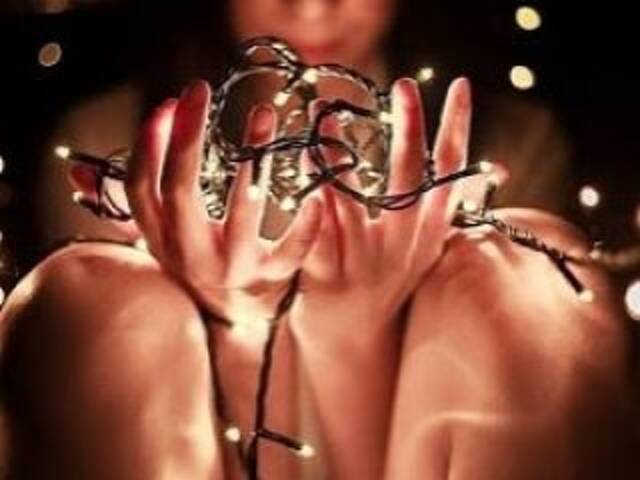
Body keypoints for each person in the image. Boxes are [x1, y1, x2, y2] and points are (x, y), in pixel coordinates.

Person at [2, 0, 637, 478]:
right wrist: (237, 326)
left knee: (532, 270)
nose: (311, 8)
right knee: (84, 293)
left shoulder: (506, 145)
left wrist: (354, 328)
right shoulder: (117, 143)